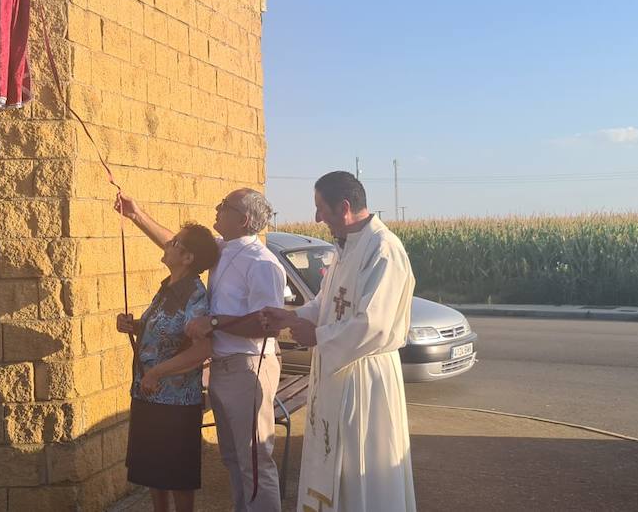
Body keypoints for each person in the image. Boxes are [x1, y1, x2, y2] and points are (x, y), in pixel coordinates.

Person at [117, 189, 286, 512]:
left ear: (243, 219)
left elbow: (270, 325)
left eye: (225, 206)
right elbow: (176, 245)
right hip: (224, 366)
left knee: (254, 459)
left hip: (248, 366)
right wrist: (135, 214)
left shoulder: (262, 263)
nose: (217, 208)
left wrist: (216, 321)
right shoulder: (224, 249)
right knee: (234, 459)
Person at [261, 171, 418, 512]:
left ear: (344, 207)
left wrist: (316, 336)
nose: (317, 217)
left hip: (364, 377)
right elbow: (325, 302)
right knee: (335, 460)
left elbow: (374, 323)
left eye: (321, 208)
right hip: (336, 371)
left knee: (359, 463)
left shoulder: (384, 249)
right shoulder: (345, 248)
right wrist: (292, 317)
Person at [115, 222, 221, 512]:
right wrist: (135, 326)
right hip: (148, 395)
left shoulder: (194, 295)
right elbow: (166, 334)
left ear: (188, 258)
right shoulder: (168, 288)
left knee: (176, 477)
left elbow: (203, 348)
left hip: (175, 402)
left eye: (175, 243)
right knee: (153, 473)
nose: (168, 245)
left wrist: (157, 372)